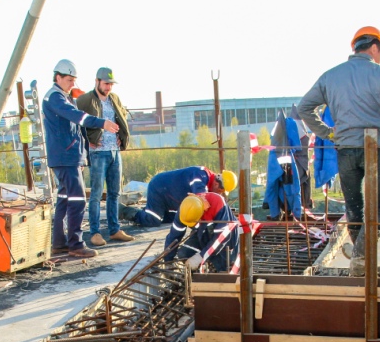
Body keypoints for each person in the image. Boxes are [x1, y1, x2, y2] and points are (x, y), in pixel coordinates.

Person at [297, 26, 380, 277]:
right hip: (374, 148)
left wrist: (327, 132)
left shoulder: (330, 76)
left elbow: (304, 108)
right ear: (375, 47)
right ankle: (361, 258)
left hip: (344, 148)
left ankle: (361, 260)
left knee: (354, 207)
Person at [43, 59, 119, 259]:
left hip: (68, 157)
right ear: (58, 77)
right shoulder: (56, 98)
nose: (72, 84)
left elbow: (77, 127)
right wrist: (102, 122)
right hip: (66, 157)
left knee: (64, 200)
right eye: (69, 80)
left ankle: (59, 243)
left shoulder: (63, 97)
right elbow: (78, 118)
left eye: (74, 80)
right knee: (77, 201)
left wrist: (83, 155)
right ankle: (75, 244)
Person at [77, 67, 133, 248]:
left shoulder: (114, 99)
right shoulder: (85, 100)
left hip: (114, 151)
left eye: (111, 84)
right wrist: (87, 142)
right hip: (97, 153)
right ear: (97, 82)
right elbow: (76, 123)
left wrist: (121, 137)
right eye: (106, 83)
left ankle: (114, 229)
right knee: (96, 193)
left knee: (115, 193)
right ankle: (94, 233)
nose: (109, 87)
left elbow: (121, 119)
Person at [127, 166, 236, 227]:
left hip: (170, 196)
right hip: (159, 188)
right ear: (217, 184)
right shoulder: (200, 175)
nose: (219, 194)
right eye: (221, 191)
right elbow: (200, 197)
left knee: (179, 217)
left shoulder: (206, 180)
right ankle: (126, 211)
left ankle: (151, 210)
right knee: (153, 220)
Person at [169, 192, 239, 272]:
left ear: (201, 214)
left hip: (226, 236)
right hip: (202, 233)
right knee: (184, 254)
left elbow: (221, 238)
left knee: (223, 268)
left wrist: (201, 256)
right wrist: (168, 260)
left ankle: (212, 268)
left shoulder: (217, 203)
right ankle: (199, 271)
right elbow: (174, 235)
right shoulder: (185, 210)